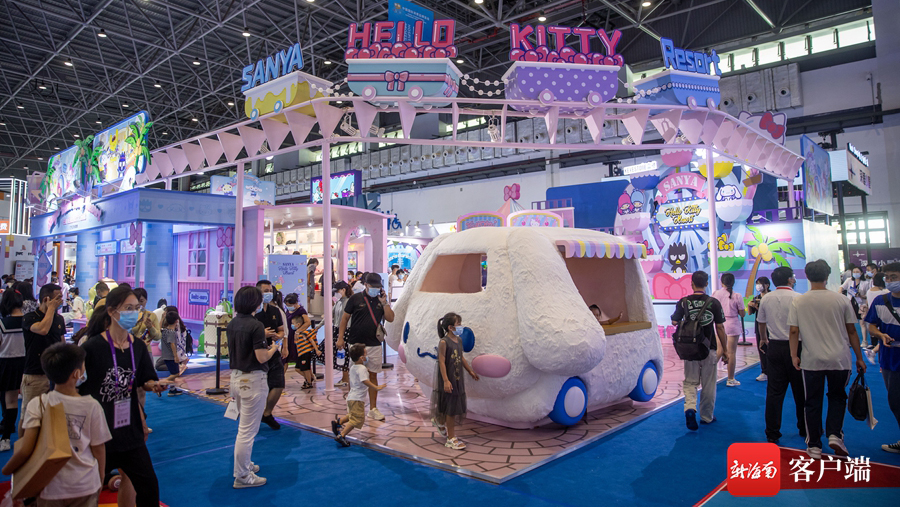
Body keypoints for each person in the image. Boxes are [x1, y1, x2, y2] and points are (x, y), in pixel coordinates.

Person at [79, 284, 166, 507]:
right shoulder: (92, 348)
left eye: (136, 308)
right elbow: (78, 388)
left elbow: (144, 380)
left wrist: (154, 385)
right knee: (89, 489)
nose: (134, 313)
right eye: (128, 308)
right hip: (99, 432)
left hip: (129, 430)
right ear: (111, 311)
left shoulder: (137, 347)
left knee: (148, 486)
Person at [2, 343, 112, 506]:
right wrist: (101, 476)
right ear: (77, 374)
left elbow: (26, 449)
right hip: (85, 483)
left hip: (49, 485)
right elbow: (98, 448)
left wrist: (7, 471)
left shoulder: (38, 403)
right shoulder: (92, 405)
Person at [789, 260, 866, 459]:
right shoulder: (841, 300)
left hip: (811, 360)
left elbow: (794, 331)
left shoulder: (799, 301)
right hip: (840, 359)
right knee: (838, 397)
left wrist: (794, 355)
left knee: (812, 401)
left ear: (807, 276)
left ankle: (814, 445)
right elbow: (852, 331)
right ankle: (834, 435)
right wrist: (859, 357)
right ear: (827, 276)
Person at [227, 286, 281, 488]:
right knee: (247, 431)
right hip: (252, 380)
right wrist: (274, 348)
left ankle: (245, 465)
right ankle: (242, 475)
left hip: (236, 377)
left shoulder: (233, 323)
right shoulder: (256, 325)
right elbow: (261, 357)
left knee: (244, 428)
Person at [671, 271, 727, 430]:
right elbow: (720, 327)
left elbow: (674, 321)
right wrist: (726, 350)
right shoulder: (713, 302)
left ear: (692, 284)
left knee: (690, 381)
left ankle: (690, 407)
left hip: (689, 349)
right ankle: (706, 417)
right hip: (709, 348)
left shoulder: (683, 302)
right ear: (706, 284)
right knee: (709, 384)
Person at [757, 267, 805, 444]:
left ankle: (772, 432)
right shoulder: (798, 297)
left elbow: (761, 322)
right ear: (790, 279)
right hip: (797, 347)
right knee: (800, 391)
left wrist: (763, 339)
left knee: (774, 392)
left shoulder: (766, 298)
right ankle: (804, 427)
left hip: (774, 346)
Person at [338, 273, 394, 421]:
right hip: (356, 343)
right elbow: (344, 318)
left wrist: (385, 303)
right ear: (367, 285)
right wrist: (340, 338)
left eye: (378, 287)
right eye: (373, 286)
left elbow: (390, 318)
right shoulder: (355, 299)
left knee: (373, 375)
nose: (376, 289)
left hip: (374, 343)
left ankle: (373, 408)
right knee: (355, 375)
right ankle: (353, 407)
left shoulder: (381, 300)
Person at [20, 283, 65, 437]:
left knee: (52, 416)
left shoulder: (59, 319)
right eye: (58, 298)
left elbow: (61, 343)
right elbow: (43, 329)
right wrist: (50, 309)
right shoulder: (29, 317)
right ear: (46, 299)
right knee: (29, 416)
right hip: (35, 374)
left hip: (55, 375)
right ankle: (23, 446)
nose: (61, 301)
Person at [864, 262, 900, 454]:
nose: (890, 281)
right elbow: (871, 325)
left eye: (894, 277)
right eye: (888, 277)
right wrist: (880, 335)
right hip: (889, 360)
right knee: (895, 401)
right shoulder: (880, 301)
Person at [431, 313, 479, 449]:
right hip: (448, 378)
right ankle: (451, 438)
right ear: (450, 327)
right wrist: (446, 380)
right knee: (450, 409)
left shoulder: (459, 340)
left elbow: (461, 357)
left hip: (457, 378)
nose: (461, 326)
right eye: (458, 324)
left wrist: (470, 371)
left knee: (451, 405)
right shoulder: (444, 342)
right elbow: (441, 362)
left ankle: (439, 420)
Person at [331, 344, 385, 447]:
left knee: (353, 415)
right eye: (365, 354)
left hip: (351, 397)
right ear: (361, 357)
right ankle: (342, 435)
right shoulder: (362, 369)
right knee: (357, 419)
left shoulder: (353, 367)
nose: (367, 357)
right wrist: (376, 387)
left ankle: (338, 422)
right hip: (357, 399)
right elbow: (364, 380)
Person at [255, 280, 285, 431]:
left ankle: (267, 413)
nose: (269, 293)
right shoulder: (253, 312)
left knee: (279, 384)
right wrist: (262, 333)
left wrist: (278, 336)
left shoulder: (275, 311)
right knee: (258, 387)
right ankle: (254, 414)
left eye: (270, 290)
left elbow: (281, 330)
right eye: (265, 291)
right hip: (257, 353)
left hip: (273, 351)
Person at [0, 288, 25, 451]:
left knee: (9, 401)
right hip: (26, 364)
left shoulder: (3, 324)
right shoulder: (29, 322)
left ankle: (6, 438)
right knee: (22, 403)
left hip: (6, 364)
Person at [712, 273, 746, 386]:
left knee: (719, 350)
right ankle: (730, 379)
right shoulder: (737, 296)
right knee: (731, 352)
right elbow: (742, 314)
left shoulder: (716, 294)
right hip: (733, 324)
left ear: (721, 282)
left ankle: (707, 376)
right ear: (733, 282)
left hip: (719, 324)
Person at [328, 281, 353, 387]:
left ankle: (346, 378)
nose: (336, 293)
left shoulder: (349, 302)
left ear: (343, 290)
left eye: (337, 291)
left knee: (345, 354)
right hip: (337, 330)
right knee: (340, 354)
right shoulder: (338, 302)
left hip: (346, 330)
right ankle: (345, 377)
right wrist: (318, 326)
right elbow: (330, 315)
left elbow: (346, 319)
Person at [748, 276, 771, 381]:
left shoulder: (771, 296)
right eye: (757, 284)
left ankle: (772, 370)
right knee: (762, 349)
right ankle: (764, 371)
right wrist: (750, 305)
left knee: (771, 350)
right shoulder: (756, 297)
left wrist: (759, 307)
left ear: (767, 285)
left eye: (760, 284)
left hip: (770, 327)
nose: (758, 286)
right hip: (759, 327)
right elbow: (750, 313)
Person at [864, 273, 889, 363]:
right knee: (885, 339)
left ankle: (873, 352)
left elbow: (867, 303)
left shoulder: (869, 291)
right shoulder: (885, 292)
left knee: (882, 339)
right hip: (884, 317)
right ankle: (873, 352)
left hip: (873, 316)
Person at [159, 311, 185, 396]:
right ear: (177, 321)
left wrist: (162, 318)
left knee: (172, 373)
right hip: (170, 356)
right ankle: (161, 384)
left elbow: (159, 328)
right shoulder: (171, 332)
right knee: (176, 374)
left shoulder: (164, 330)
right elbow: (172, 344)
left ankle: (172, 389)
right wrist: (175, 356)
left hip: (165, 356)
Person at [282, 293, 310, 370]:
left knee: (300, 361)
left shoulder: (301, 311)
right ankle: (282, 376)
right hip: (288, 336)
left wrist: (298, 331)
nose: (288, 306)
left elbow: (308, 322)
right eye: (287, 305)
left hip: (295, 337)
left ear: (295, 303)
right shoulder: (288, 310)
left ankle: (310, 376)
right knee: (284, 358)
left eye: (290, 305)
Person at [291, 314, 320, 389]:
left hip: (305, 353)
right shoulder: (297, 334)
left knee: (306, 369)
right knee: (297, 368)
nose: (292, 325)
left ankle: (309, 382)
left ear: (298, 324)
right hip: (300, 353)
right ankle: (309, 378)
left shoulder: (305, 332)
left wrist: (317, 350)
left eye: (293, 323)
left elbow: (311, 340)